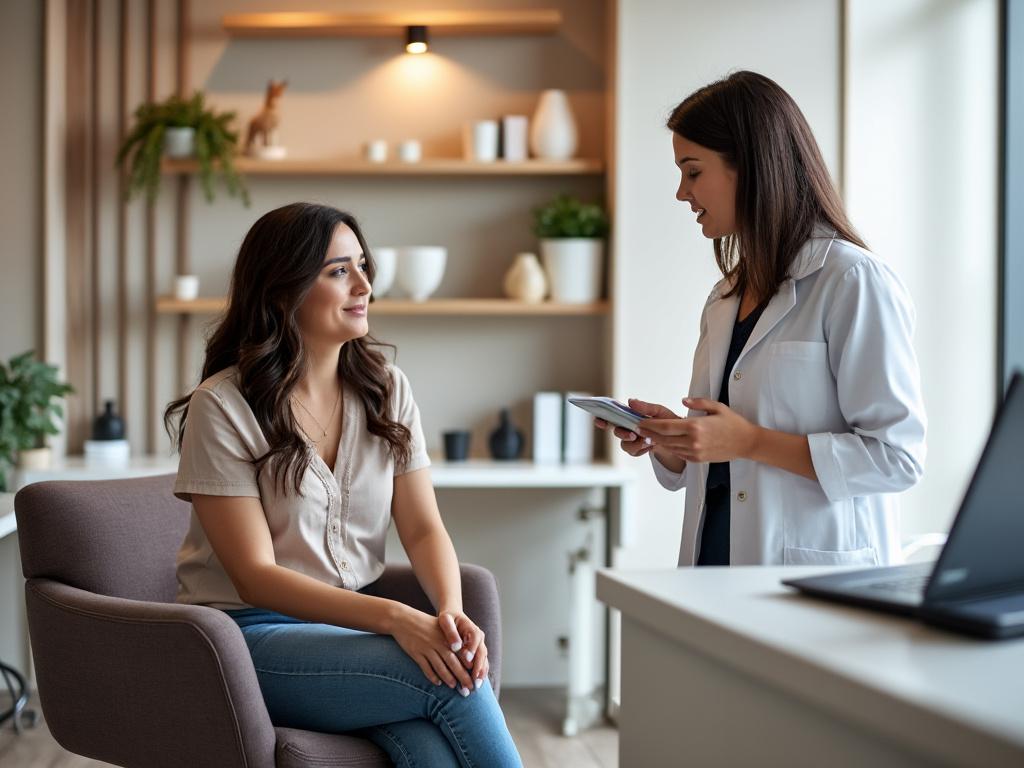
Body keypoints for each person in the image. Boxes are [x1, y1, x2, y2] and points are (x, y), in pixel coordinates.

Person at [165, 202, 522, 767]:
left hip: (343, 635)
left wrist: (449, 612)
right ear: (283, 290)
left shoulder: (387, 390)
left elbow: (424, 527)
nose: (363, 285)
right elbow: (255, 578)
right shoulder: (224, 405)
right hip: (245, 641)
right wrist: (400, 619)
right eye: (338, 271)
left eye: (362, 265)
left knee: (431, 749)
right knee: (450, 680)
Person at [598, 71, 926, 567]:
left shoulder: (852, 281)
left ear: (749, 168)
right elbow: (725, 466)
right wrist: (674, 443)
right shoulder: (725, 297)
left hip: (814, 582)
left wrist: (750, 441)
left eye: (692, 171)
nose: (681, 193)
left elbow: (897, 458)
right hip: (713, 568)